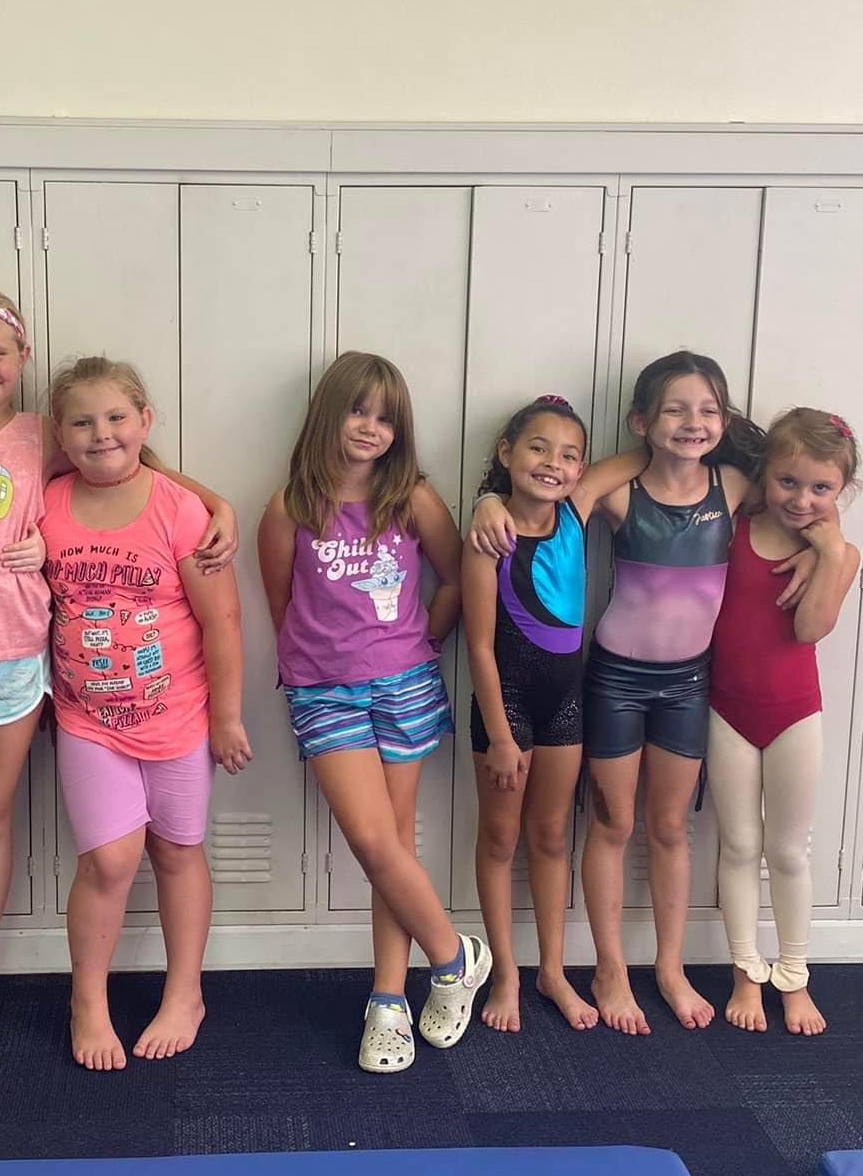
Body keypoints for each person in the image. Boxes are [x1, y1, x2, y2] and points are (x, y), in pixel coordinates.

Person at [0, 288, 237, 1062]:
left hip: (19, 662)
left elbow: (130, 461)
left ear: (22, 358)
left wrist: (217, 501)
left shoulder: (42, 437)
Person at [258, 352, 490, 1072]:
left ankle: (388, 1002)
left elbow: (455, 578)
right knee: (372, 840)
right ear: (329, 413)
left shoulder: (411, 497)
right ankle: (455, 957)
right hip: (324, 690)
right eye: (358, 411)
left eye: (386, 418)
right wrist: (319, 663)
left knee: (393, 849)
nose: (370, 428)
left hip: (405, 684)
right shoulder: (290, 507)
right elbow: (281, 605)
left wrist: (425, 641)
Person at [42, 357, 250, 1070]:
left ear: (145, 422)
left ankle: (185, 993)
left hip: (180, 718)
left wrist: (227, 717)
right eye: (81, 422)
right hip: (86, 720)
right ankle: (88, 1002)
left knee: (177, 851)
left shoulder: (179, 509)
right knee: (108, 859)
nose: (101, 434)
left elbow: (223, 621)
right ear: (59, 434)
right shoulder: (47, 502)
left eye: (116, 418)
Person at [462, 394, 635, 1034]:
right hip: (504, 706)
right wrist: (500, 737)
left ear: (579, 469)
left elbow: (641, 456)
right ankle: (506, 973)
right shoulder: (489, 536)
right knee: (499, 838)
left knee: (552, 835)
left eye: (569, 456)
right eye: (538, 448)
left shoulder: (576, 512)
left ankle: (553, 971)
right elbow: (479, 647)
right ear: (507, 452)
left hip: (565, 700)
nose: (552, 464)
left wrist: (715, 436)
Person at [712, 408, 861, 1038]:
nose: (802, 499)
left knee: (788, 851)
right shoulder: (732, 526)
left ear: (842, 490)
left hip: (795, 713)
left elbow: (808, 629)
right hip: (726, 709)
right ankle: (746, 971)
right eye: (788, 482)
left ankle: (794, 976)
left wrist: (828, 552)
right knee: (740, 845)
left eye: (821, 488)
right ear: (765, 475)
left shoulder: (841, 554)